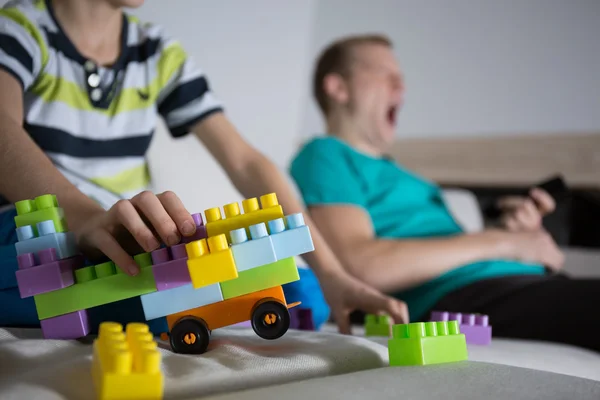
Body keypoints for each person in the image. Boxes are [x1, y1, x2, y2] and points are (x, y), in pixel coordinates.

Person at [0, 0, 409, 333]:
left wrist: (332, 271)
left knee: (306, 292)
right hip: (32, 228)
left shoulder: (155, 50)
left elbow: (245, 161)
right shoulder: (21, 28)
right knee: (167, 295)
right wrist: (84, 216)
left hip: (119, 236)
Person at [290, 34, 600, 351]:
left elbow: (451, 249)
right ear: (338, 88)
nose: (402, 89)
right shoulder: (325, 155)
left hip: (523, 282)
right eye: (387, 76)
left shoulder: (406, 177)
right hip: (463, 293)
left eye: (402, 80)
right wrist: (505, 243)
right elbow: (360, 267)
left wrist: (516, 236)